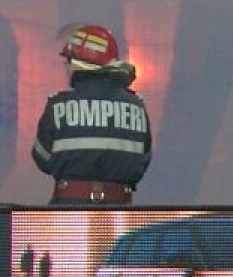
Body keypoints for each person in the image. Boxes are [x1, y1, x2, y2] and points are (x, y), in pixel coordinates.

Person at [32, 24, 152, 204]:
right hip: (121, 212)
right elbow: (143, 159)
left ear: (77, 63)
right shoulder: (137, 107)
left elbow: (42, 158)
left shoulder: (58, 106)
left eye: (68, 61)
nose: (66, 67)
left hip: (68, 211)